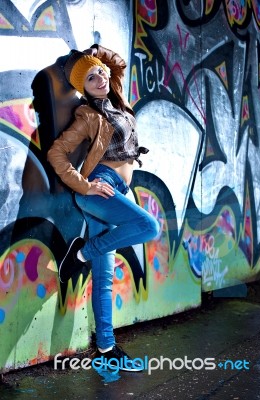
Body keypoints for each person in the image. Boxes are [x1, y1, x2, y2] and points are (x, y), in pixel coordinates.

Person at [47, 44, 160, 372]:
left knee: (105, 275)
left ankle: (106, 346)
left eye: (102, 73)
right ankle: (82, 253)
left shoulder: (118, 98)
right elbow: (57, 153)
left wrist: (97, 53)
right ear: (83, 86)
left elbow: (117, 64)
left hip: (118, 190)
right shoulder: (88, 114)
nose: (100, 79)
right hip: (100, 188)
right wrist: (85, 185)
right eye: (91, 77)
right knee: (149, 226)